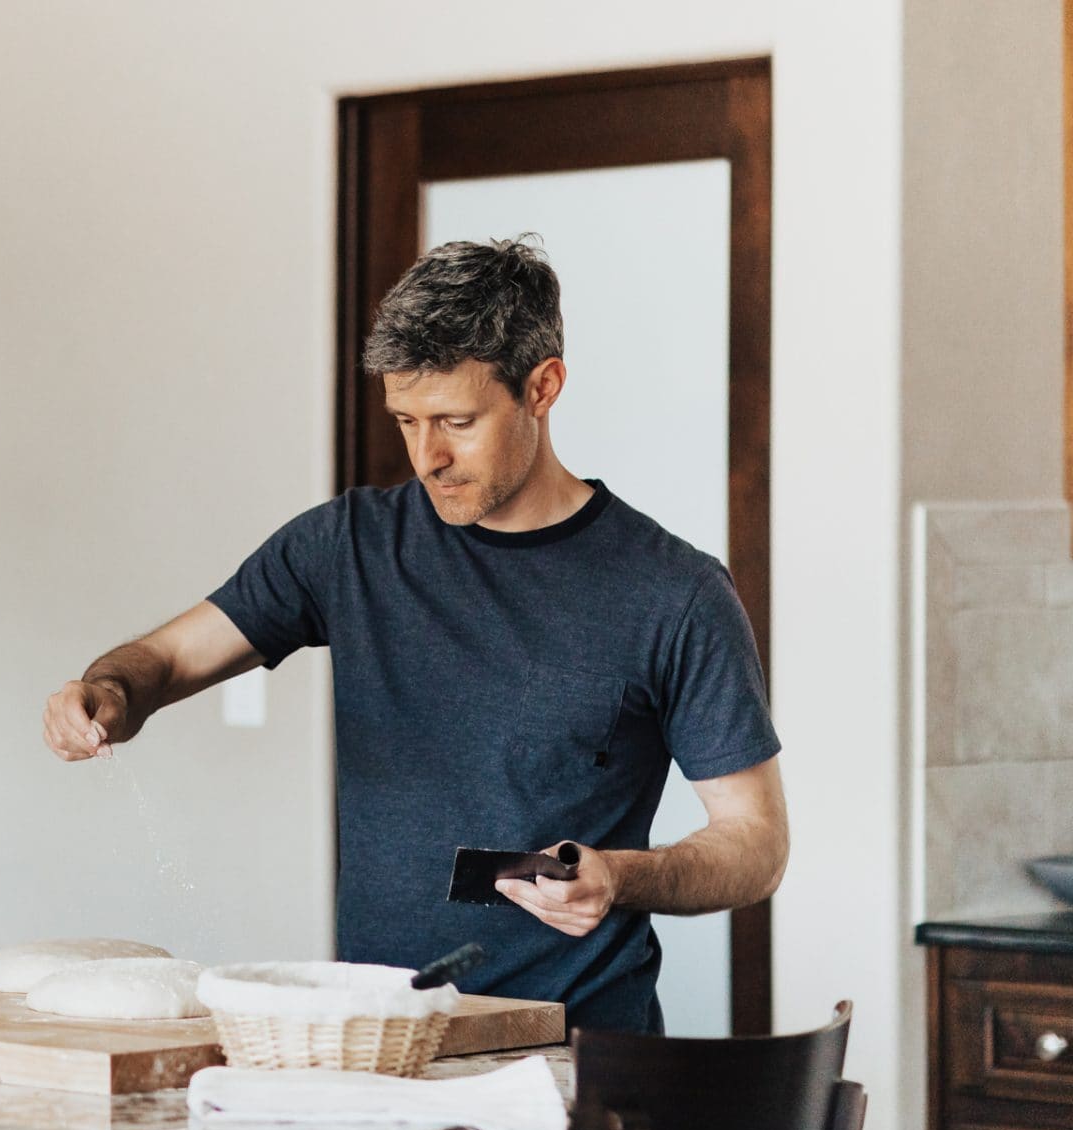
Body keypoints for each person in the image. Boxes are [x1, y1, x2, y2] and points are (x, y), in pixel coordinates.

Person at [40, 236, 786, 1033]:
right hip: (379, 1044)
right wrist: (108, 691)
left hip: (576, 1058)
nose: (428, 457)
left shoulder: (674, 592)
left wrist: (621, 876)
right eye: (406, 421)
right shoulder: (347, 546)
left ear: (542, 387)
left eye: (457, 422)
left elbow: (755, 843)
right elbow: (166, 658)